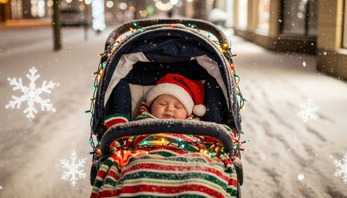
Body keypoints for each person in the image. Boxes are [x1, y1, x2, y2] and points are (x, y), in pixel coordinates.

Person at [91, 74, 238, 198]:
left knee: (202, 178)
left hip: (192, 159)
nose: (169, 108)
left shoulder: (197, 127)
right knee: (138, 172)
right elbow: (117, 135)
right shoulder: (141, 121)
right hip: (145, 157)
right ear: (150, 105)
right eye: (162, 103)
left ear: (188, 113)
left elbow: (221, 136)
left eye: (178, 106)